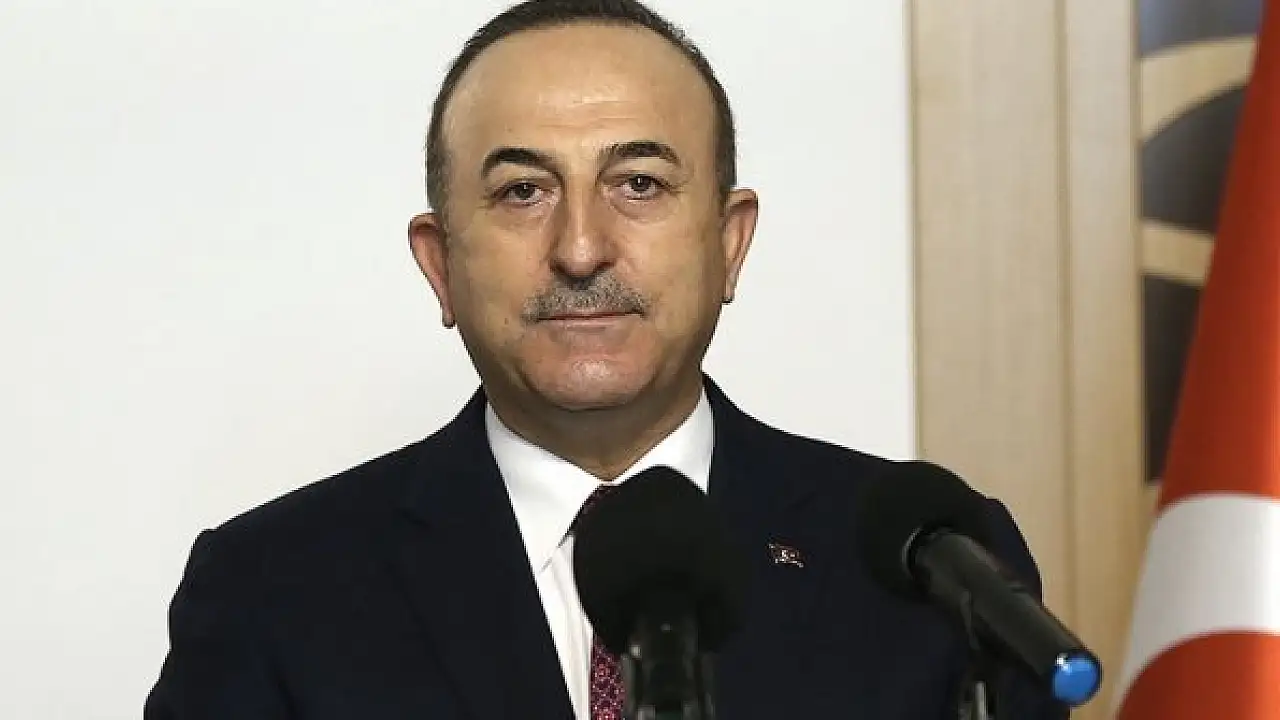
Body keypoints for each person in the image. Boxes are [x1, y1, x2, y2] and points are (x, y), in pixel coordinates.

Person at [144, 1, 1070, 718]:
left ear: (730, 243)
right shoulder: (273, 590)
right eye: (523, 191)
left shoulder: (932, 570)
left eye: (638, 183)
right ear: (440, 264)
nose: (581, 249)